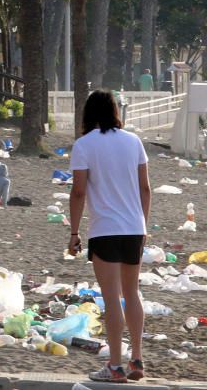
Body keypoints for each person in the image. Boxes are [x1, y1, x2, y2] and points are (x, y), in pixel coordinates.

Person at [68, 90, 151, 383]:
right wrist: (143, 224)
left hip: (105, 228)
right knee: (132, 292)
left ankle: (115, 365)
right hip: (134, 227)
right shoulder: (134, 141)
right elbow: (145, 189)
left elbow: (78, 191)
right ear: (115, 110)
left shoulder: (84, 145)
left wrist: (74, 231)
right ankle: (137, 358)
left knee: (111, 298)